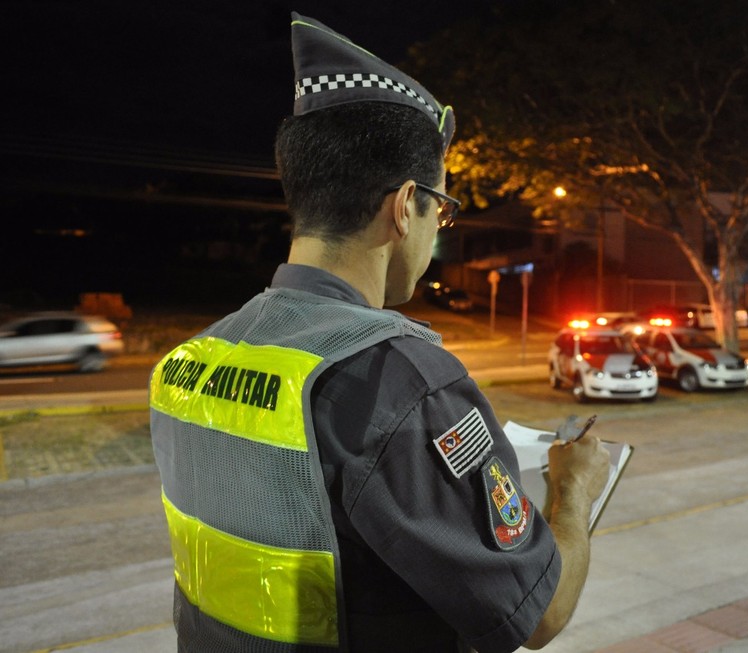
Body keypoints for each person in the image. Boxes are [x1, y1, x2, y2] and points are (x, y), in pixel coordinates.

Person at [148, 12, 610, 653]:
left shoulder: (190, 361)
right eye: (440, 209)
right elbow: (539, 614)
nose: (435, 231)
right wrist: (574, 490)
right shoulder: (401, 385)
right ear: (403, 207)